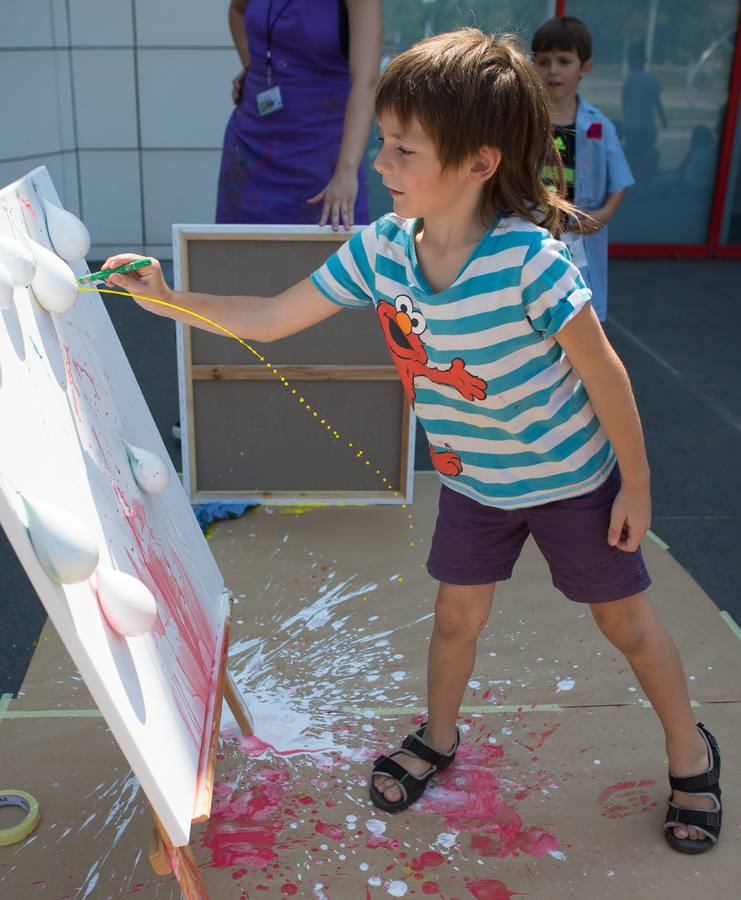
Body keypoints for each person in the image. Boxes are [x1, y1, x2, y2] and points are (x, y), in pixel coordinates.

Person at [101, 28, 722, 854]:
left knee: (626, 625)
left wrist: (635, 488)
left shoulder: (530, 263)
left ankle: (690, 753)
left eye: (401, 149)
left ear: (477, 163)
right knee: (454, 618)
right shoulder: (381, 250)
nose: (379, 165)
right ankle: (439, 734)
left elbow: (608, 378)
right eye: (384, 145)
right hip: (474, 483)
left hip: (572, 481)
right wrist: (167, 300)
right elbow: (275, 318)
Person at [216, 0, 381, 231]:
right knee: (241, 258)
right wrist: (254, 67)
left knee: (327, 260)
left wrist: (347, 171)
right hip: (250, 149)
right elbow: (237, 11)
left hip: (322, 156)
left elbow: (367, 79)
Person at [532, 16, 634, 323]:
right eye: (543, 61)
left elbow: (620, 180)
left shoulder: (599, 126)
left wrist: (603, 216)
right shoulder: (523, 123)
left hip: (580, 236)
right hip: (534, 229)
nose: (553, 70)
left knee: (579, 303)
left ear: (584, 68)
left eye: (564, 61)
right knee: (533, 297)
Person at [622, 40, 667, 185]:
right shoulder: (649, 80)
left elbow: (625, 104)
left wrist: (626, 120)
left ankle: (633, 180)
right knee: (644, 153)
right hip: (645, 126)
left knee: (633, 154)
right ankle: (643, 180)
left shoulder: (628, 82)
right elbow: (656, 102)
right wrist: (663, 119)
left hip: (630, 126)